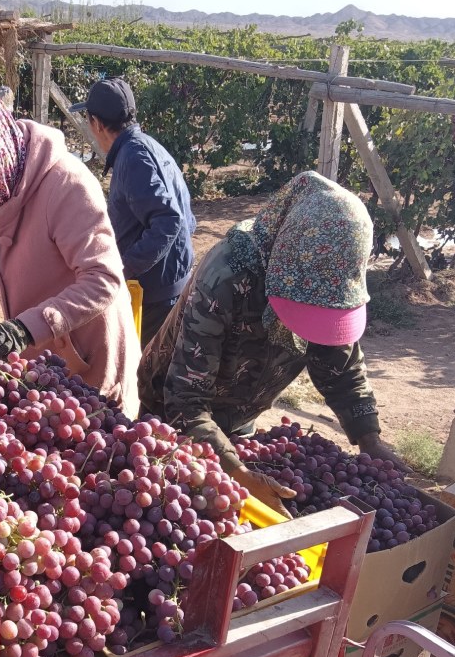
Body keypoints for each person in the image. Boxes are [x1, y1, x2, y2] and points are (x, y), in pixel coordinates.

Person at [138, 171, 400, 516]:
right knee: (176, 508)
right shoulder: (227, 275)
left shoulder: (329, 283)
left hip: (243, 407)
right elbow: (185, 399)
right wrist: (236, 472)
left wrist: (369, 437)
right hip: (171, 409)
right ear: (283, 270)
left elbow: (340, 364)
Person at [0, 85, 141, 417]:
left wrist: (27, 327)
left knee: (92, 446)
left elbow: (103, 279)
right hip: (41, 359)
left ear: (3, 151)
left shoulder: (66, 185)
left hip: (88, 353)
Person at [71, 78, 196, 346]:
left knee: (138, 378)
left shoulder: (133, 158)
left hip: (156, 297)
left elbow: (169, 220)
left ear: (98, 123)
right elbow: (187, 218)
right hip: (169, 287)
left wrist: (121, 268)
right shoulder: (149, 147)